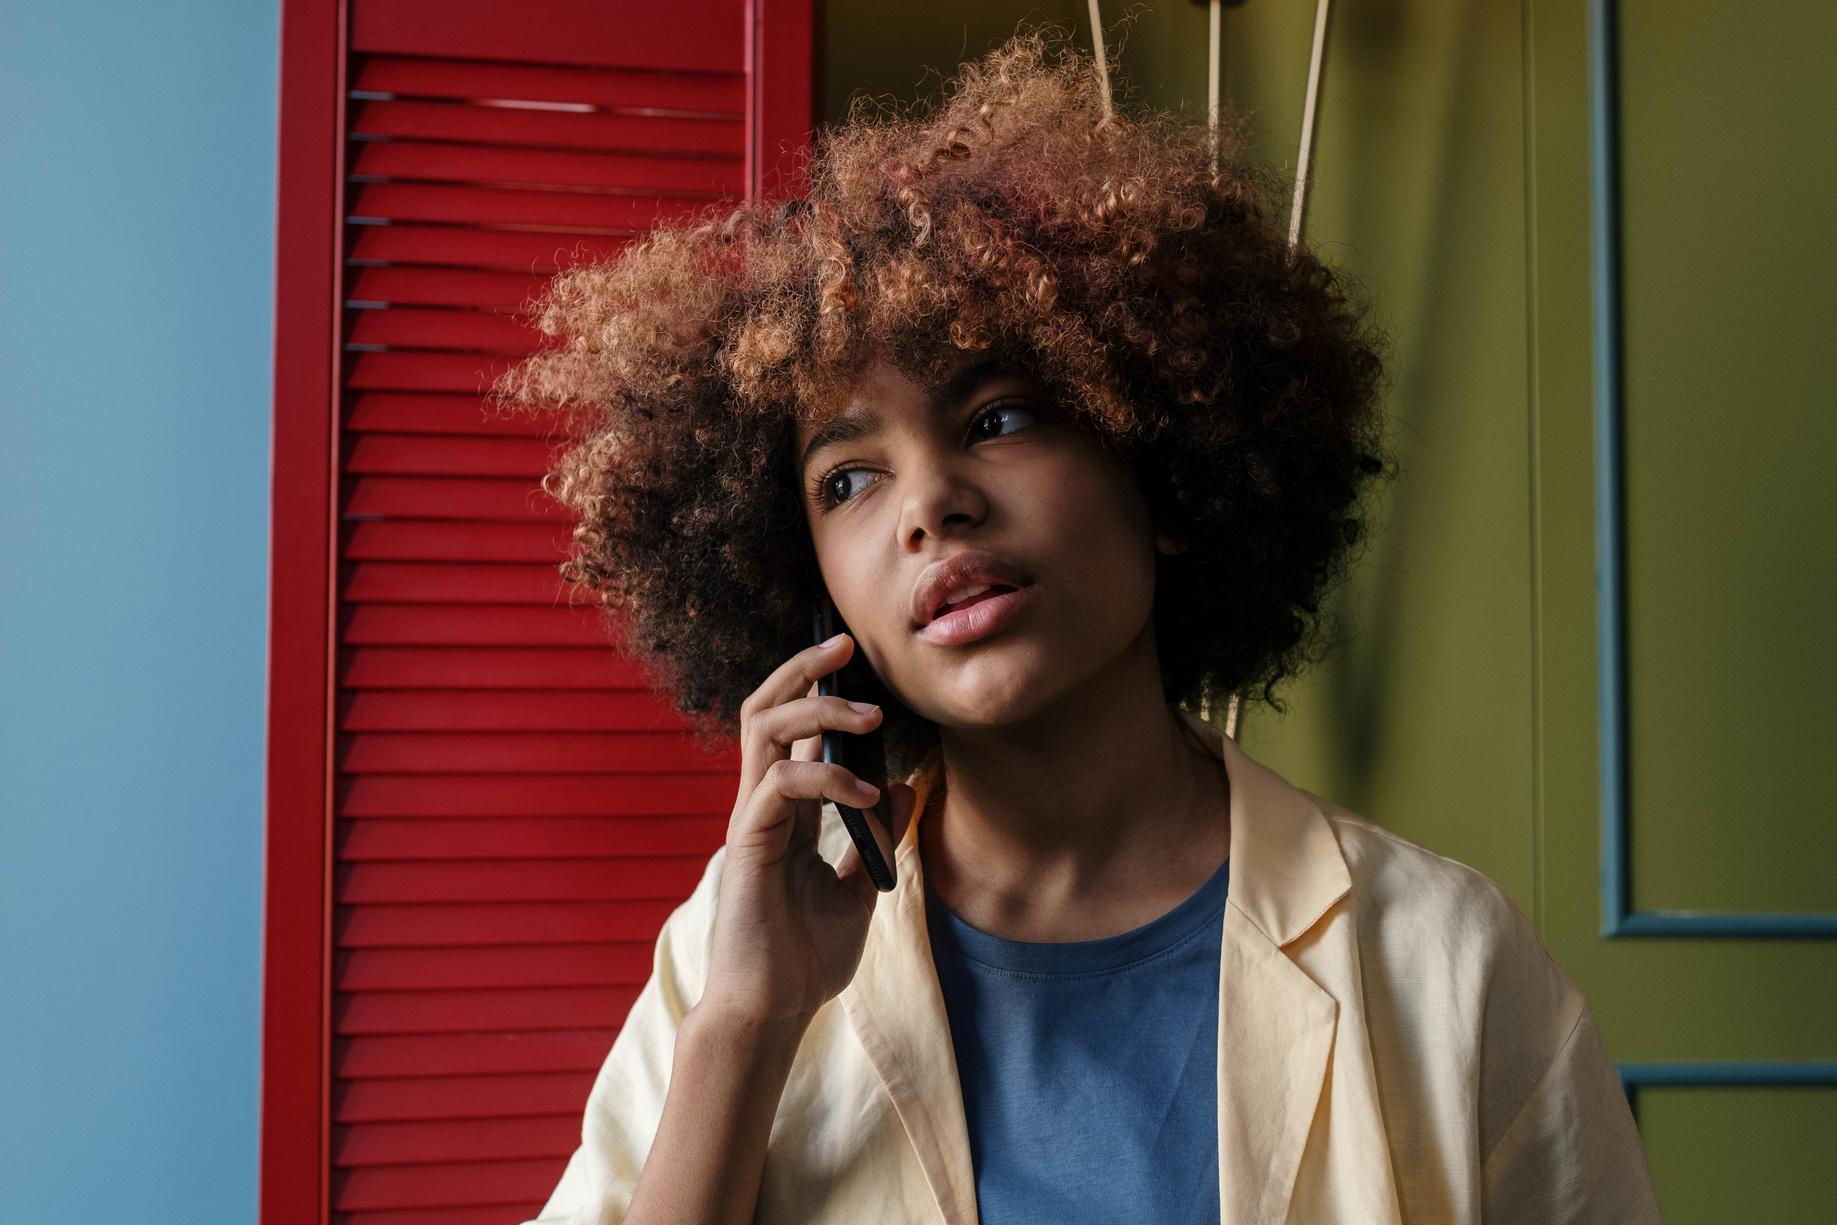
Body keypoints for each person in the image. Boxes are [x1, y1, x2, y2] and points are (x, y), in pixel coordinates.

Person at [503, 34, 1662, 1225]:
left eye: (1000, 418)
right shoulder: (732, 951)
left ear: (1162, 473)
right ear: (807, 588)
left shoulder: (1446, 960)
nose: (929, 505)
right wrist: (745, 1026)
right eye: (847, 480)